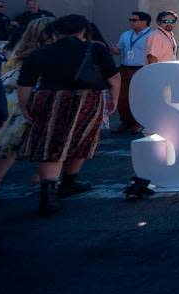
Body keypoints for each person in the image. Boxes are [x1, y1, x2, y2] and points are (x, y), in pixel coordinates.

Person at [16, 14, 120, 215]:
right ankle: (69, 182)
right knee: (82, 139)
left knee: (51, 143)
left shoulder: (41, 52)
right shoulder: (96, 48)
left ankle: (49, 193)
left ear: (56, 32)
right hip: (86, 99)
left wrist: (24, 105)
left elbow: (25, 82)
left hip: (49, 99)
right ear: (83, 30)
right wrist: (113, 99)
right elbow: (113, 77)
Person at [0, 17, 54, 199]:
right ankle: (46, 178)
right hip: (32, 99)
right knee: (45, 139)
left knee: (8, 144)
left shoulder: (17, 50)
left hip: (9, 100)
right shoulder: (46, 53)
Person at [113, 11, 153, 133]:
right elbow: (118, 50)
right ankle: (126, 122)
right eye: (131, 20)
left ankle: (137, 123)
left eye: (135, 20)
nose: (132, 22)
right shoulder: (126, 35)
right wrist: (112, 49)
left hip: (142, 69)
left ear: (144, 22)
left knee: (138, 98)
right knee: (122, 97)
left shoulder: (151, 36)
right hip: (125, 68)